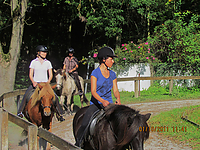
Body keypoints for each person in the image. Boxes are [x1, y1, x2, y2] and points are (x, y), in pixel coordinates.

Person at [75, 46, 121, 147]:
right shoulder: (95, 73)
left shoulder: (112, 74)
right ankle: (79, 142)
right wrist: (102, 101)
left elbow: (115, 90)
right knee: (85, 123)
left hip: (109, 104)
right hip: (96, 104)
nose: (113, 61)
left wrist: (118, 98)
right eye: (111, 59)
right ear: (104, 59)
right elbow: (93, 91)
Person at [17, 45, 65, 122]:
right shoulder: (33, 62)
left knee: (55, 97)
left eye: (45, 52)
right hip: (36, 83)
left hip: (45, 84)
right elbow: (30, 74)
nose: (44, 53)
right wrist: (33, 82)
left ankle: (60, 114)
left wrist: (48, 82)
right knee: (26, 95)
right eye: (43, 52)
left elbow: (51, 74)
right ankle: (20, 112)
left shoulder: (48, 63)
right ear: (38, 53)